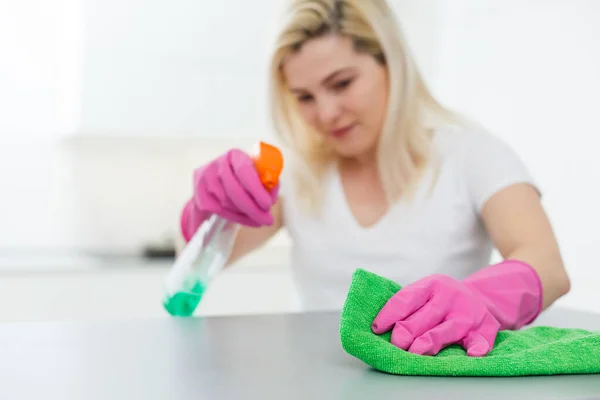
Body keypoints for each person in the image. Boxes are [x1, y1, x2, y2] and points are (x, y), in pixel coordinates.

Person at [180, 0, 571, 356]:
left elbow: (547, 266)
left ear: (391, 64)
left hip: (439, 377)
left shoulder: (471, 153)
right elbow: (199, 258)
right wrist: (206, 211)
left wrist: (480, 297)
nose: (327, 113)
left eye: (342, 83)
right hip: (318, 380)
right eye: (304, 97)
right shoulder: (297, 174)